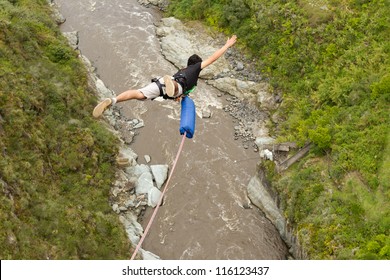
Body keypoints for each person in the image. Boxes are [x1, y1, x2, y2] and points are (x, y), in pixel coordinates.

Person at [92, 35, 237, 118]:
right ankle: (172, 86)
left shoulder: (183, 69)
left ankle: (113, 100)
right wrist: (226, 46)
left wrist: (178, 96)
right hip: (174, 86)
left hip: (162, 82)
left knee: (139, 94)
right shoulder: (194, 69)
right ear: (196, 64)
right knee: (176, 88)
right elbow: (212, 58)